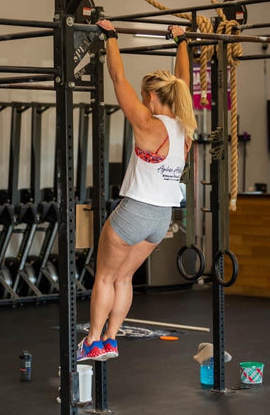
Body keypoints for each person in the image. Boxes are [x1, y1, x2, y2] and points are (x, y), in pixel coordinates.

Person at [77, 20, 197, 361]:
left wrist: (110, 37)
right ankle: (111, 340)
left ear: (154, 97)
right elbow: (184, 81)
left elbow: (118, 79)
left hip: (134, 213)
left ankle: (92, 342)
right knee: (124, 278)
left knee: (104, 276)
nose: (144, 100)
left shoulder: (147, 124)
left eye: (146, 96)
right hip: (161, 219)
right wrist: (182, 42)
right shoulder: (184, 127)